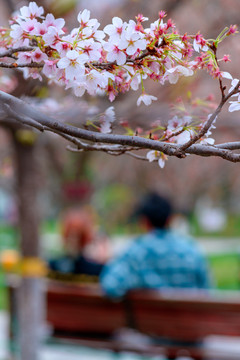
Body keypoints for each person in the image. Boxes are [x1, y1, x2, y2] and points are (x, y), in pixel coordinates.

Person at [100, 193, 212, 298]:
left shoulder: (135, 252)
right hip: (189, 318)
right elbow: (206, 291)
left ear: (144, 221)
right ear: (170, 219)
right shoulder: (191, 250)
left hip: (146, 318)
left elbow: (110, 285)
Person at [48, 208, 104, 277]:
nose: (73, 241)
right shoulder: (54, 265)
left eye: (78, 236)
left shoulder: (95, 269)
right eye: (70, 236)